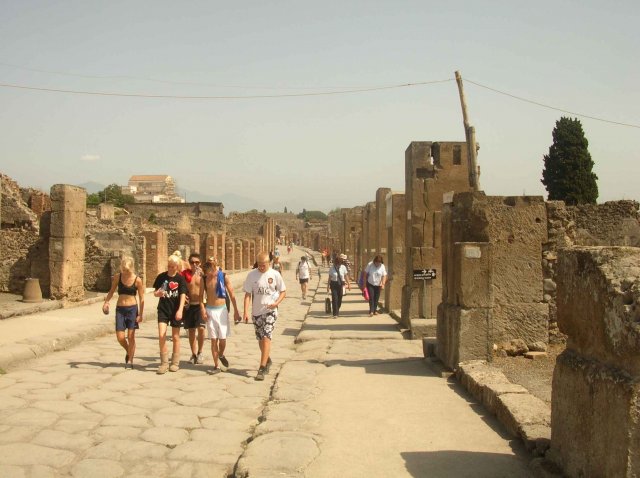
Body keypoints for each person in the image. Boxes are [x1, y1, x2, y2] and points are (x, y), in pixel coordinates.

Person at [243, 251, 287, 381]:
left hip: (270, 311)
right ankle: (267, 359)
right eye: (259, 265)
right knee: (261, 339)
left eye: (264, 265)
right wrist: (245, 311)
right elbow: (247, 295)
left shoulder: (275, 274)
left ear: (269, 263)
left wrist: (276, 303)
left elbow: (283, 291)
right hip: (256, 312)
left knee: (267, 337)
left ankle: (261, 368)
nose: (261, 267)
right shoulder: (251, 275)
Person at [199, 258, 241, 374]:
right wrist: (202, 309)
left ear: (216, 266)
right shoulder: (204, 278)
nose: (210, 272)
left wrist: (236, 311)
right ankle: (216, 366)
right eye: (208, 269)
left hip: (222, 310)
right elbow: (200, 296)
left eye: (212, 268)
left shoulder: (223, 276)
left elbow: (232, 294)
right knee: (213, 340)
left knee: (222, 340)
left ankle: (221, 354)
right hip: (210, 310)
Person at [102, 256, 145, 369]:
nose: (125, 272)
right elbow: (111, 291)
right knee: (120, 337)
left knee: (131, 336)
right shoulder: (118, 277)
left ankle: (130, 360)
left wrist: (140, 314)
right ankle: (129, 350)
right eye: (123, 270)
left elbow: (141, 298)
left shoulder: (137, 280)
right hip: (120, 309)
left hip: (132, 309)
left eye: (127, 270)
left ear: (131, 269)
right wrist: (106, 302)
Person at [153, 254, 187, 374]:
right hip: (163, 309)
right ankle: (164, 363)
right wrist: (157, 294)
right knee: (161, 335)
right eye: (169, 266)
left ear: (177, 267)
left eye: (173, 266)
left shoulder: (180, 279)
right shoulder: (161, 277)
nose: (171, 268)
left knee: (175, 336)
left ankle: (175, 362)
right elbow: (155, 292)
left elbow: (183, 294)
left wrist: (180, 310)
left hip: (175, 309)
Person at [182, 253, 206, 365]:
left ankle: (200, 352)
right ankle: (194, 353)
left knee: (201, 329)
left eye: (197, 262)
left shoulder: (203, 275)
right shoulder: (186, 275)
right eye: (192, 262)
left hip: (200, 305)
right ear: (189, 263)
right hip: (189, 306)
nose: (195, 264)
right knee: (191, 331)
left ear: (200, 263)